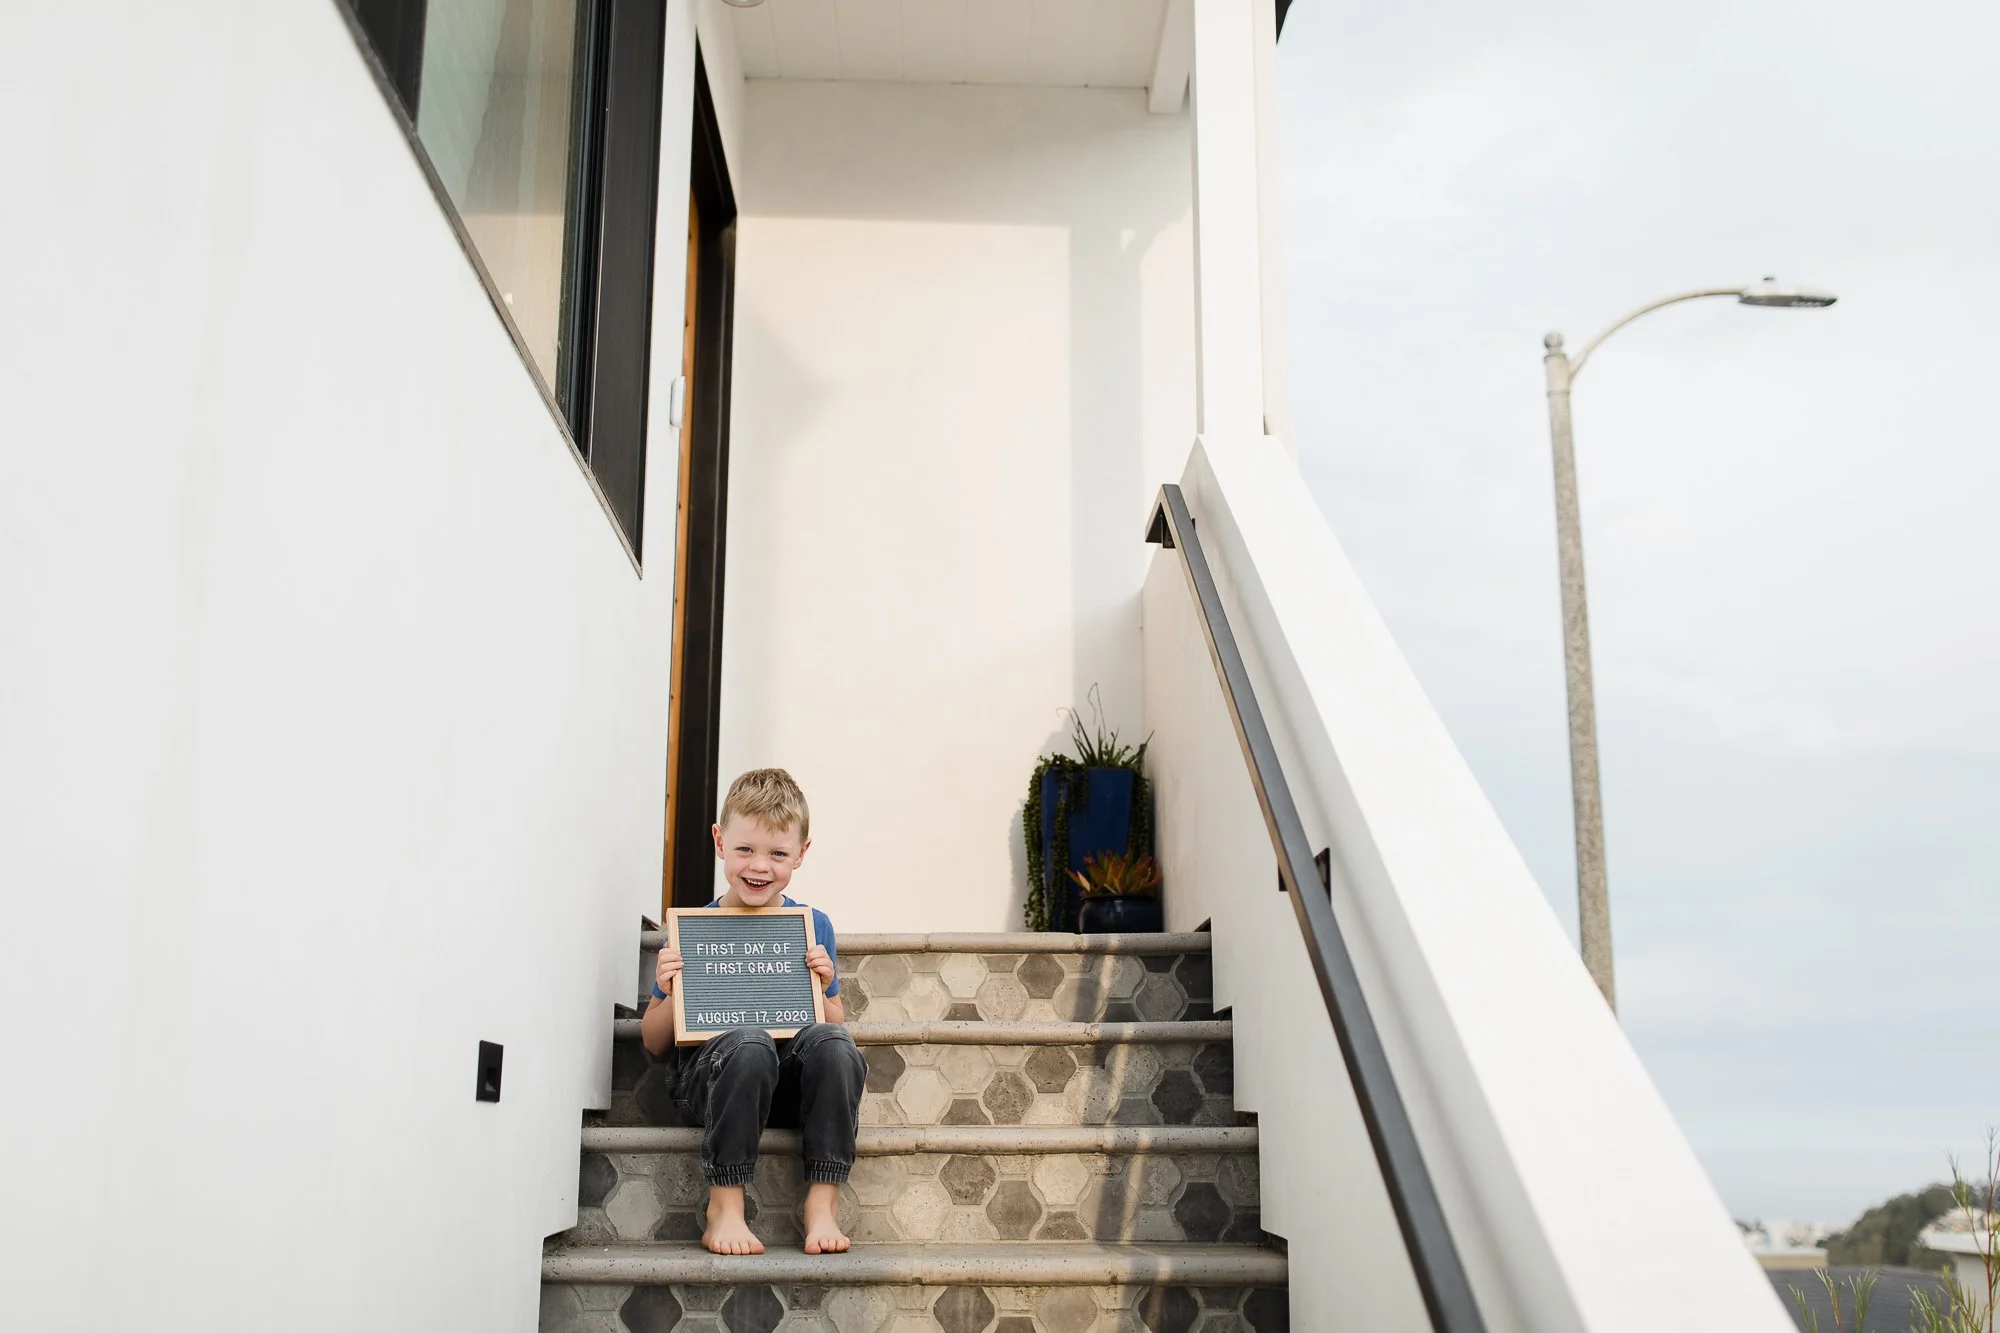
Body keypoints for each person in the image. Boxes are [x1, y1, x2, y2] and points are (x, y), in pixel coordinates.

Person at [638, 768, 865, 1256]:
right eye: (745, 849)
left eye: (777, 854)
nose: (759, 866)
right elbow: (653, 1042)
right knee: (750, 1041)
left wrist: (822, 985)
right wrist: (671, 990)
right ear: (720, 842)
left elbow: (834, 1022)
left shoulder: (812, 926)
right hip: (716, 1085)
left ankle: (822, 1202)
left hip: (786, 1090)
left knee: (836, 1044)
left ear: (801, 853)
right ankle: (724, 1206)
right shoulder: (694, 928)